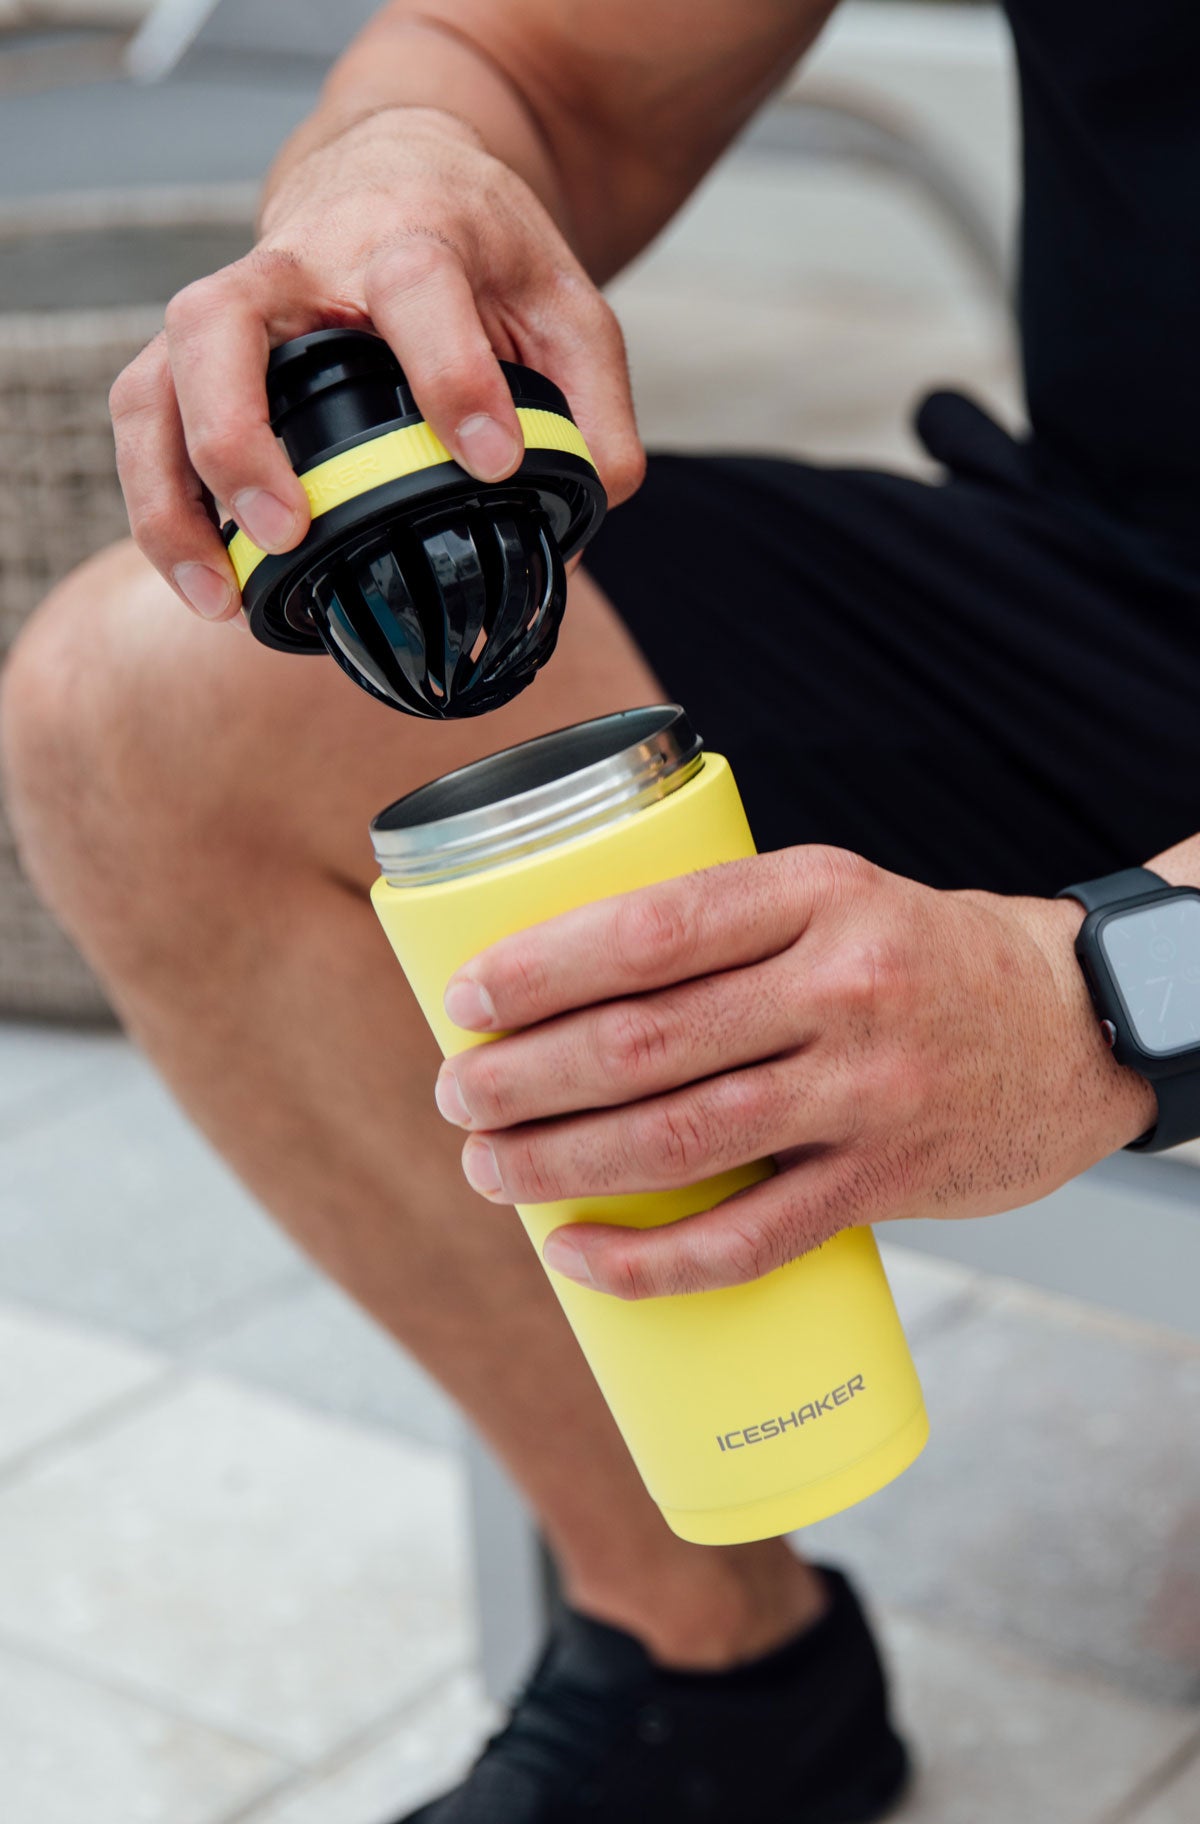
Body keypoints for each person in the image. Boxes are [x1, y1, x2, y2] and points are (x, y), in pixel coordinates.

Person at [3, 1, 1199, 1817]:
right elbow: (536, 57)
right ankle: (712, 1668)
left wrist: (1114, 987)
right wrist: (400, 158)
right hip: (1143, 615)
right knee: (141, 704)